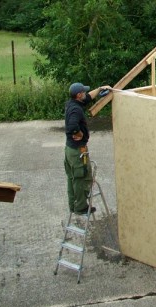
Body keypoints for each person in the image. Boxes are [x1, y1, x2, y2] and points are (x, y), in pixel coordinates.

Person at [64, 82, 111, 215]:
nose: (85, 93)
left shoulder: (72, 103)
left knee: (72, 177)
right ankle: (81, 207)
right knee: (82, 178)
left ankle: (73, 205)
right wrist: (79, 134)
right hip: (78, 151)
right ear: (79, 95)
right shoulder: (76, 110)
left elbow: (89, 97)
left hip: (70, 150)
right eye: (83, 92)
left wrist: (101, 88)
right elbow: (72, 126)